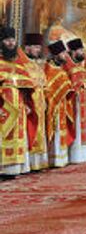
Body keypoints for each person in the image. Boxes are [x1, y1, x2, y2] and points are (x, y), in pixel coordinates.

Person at [0, 26, 34, 175]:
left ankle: (16, 167)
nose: (11, 43)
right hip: (3, 105)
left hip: (18, 105)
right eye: (7, 40)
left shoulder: (19, 63)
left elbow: (26, 86)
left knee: (18, 135)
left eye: (13, 40)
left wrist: (26, 103)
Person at [44, 41, 76, 168]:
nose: (65, 56)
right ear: (56, 55)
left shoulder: (61, 70)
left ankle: (61, 158)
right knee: (55, 130)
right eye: (63, 53)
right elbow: (49, 88)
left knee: (61, 130)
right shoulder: (49, 69)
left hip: (62, 104)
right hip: (54, 105)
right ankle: (54, 159)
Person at [21, 33, 49, 170]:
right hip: (29, 103)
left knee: (39, 132)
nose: (38, 50)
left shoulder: (37, 65)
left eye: (39, 47)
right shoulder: (22, 64)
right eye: (36, 47)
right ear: (27, 48)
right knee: (29, 131)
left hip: (40, 103)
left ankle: (37, 163)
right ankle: (28, 163)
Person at [64, 38, 86, 164]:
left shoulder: (81, 67)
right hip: (74, 102)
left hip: (84, 101)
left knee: (84, 126)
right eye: (80, 50)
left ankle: (83, 154)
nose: (83, 53)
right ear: (73, 52)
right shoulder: (67, 66)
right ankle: (75, 155)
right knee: (76, 126)